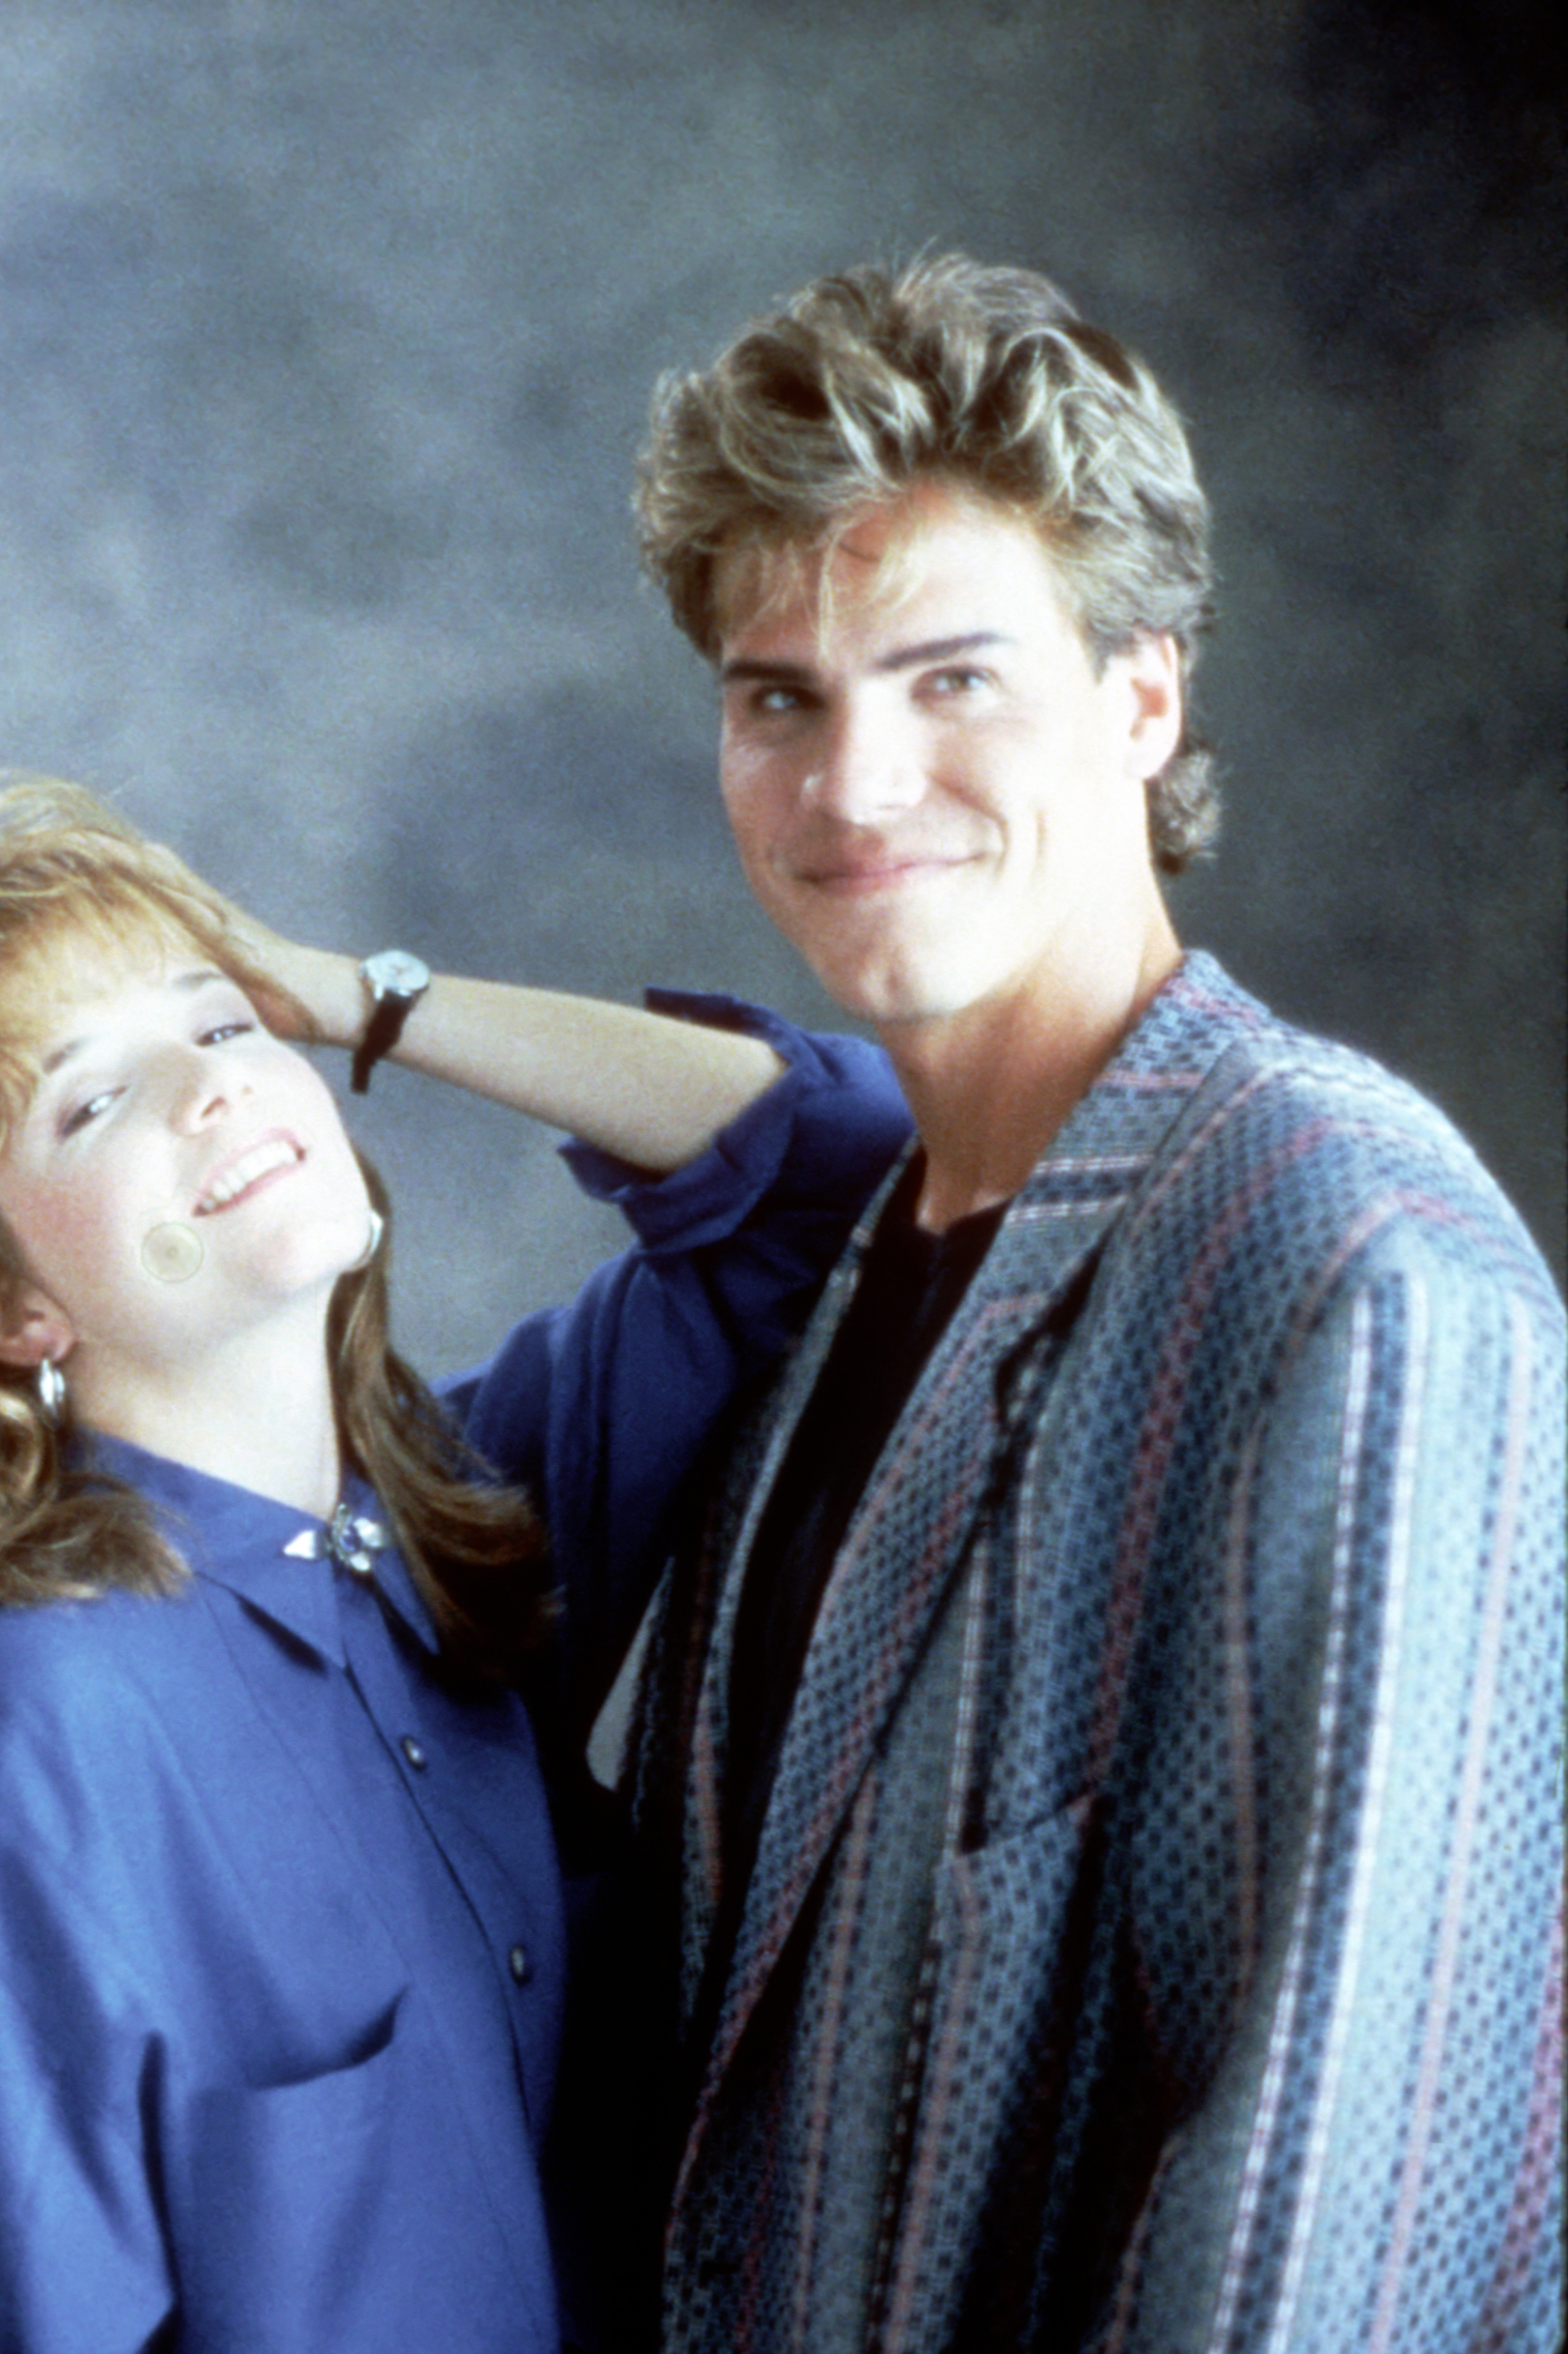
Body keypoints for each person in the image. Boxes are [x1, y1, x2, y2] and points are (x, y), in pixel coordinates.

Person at [575, 254, 1567, 2349]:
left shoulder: (1354, 1263)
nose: (848, 789)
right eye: (779, 697)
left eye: (949, 680)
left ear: (1139, 698)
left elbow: (1349, 2205)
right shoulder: (842, 1277)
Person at [0, 778, 911, 2352]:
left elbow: (839, 1159)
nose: (208, 1092)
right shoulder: (35, 1727)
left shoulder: (461, 1513)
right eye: (88, 1100)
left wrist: (360, 999)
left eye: (222, 1029)